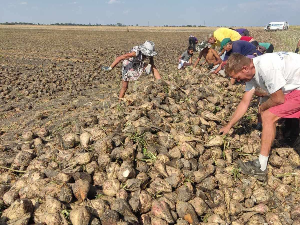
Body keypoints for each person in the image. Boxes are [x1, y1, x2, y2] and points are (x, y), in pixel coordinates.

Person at [220, 52, 300, 181]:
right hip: (295, 85)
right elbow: (245, 102)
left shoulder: (266, 68)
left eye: (238, 77)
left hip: (297, 87)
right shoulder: (251, 72)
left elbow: (279, 99)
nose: (238, 81)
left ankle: (260, 167)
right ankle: (290, 135)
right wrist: (229, 125)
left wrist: (263, 107)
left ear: (244, 68)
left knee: (268, 116)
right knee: (269, 111)